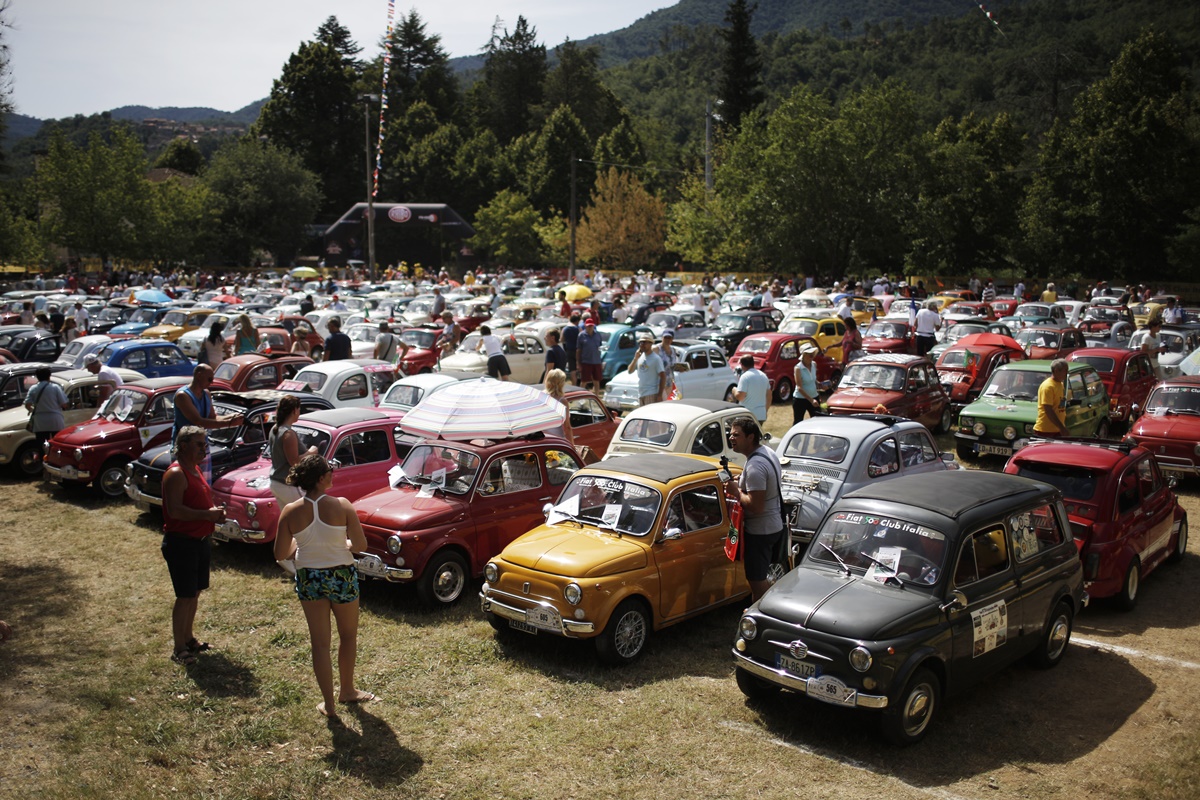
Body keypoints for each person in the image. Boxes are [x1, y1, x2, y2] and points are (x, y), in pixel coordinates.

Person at [273, 453, 373, 717]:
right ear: (320, 478)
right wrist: (344, 544)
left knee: (320, 644)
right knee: (348, 635)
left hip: (310, 578)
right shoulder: (342, 505)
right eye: (330, 470)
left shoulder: (291, 511)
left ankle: (328, 705)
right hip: (341, 575)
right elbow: (360, 545)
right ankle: (347, 690)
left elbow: (281, 552)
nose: (333, 473)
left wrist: (301, 543)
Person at [161, 426, 226, 665]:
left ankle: (188, 639)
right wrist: (207, 515)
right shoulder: (176, 473)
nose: (204, 447)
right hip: (182, 543)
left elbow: (198, 502)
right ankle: (179, 649)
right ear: (184, 445)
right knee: (184, 596)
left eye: (205, 443)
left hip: (199, 541)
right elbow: (175, 511)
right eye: (199, 444)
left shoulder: (194, 469)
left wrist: (213, 514)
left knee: (195, 593)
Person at [725, 418, 785, 601]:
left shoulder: (755, 466)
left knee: (756, 579)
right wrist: (742, 481)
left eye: (736, 434)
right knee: (758, 576)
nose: (731, 437)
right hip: (773, 525)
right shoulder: (766, 452)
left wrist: (736, 492)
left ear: (750, 437)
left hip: (761, 531)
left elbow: (756, 506)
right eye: (730, 434)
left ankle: (765, 615)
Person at [268, 394, 317, 512]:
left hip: (276, 482)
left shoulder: (275, 428)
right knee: (307, 514)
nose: (300, 412)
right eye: (299, 409)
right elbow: (294, 461)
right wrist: (311, 452)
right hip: (287, 485)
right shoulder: (288, 433)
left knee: (289, 519)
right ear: (294, 410)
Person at [24, 366, 70, 452]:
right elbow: (64, 404)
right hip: (55, 420)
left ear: (37, 377)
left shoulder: (33, 388)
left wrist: (34, 409)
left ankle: (43, 460)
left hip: (40, 421)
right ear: (49, 376)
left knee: (42, 445)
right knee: (57, 444)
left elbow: (27, 404)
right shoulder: (55, 387)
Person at [1034, 358, 1070, 437]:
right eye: (1065, 370)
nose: (1067, 373)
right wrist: (1062, 428)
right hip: (1045, 431)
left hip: (1057, 430)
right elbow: (1048, 410)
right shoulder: (1048, 386)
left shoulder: (1060, 384)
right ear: (1056, 371)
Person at [628, 332, 665, 406]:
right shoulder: (640, 357)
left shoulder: (656, 359)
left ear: (651, 343)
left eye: (644, 342)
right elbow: (630, 371)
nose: (642, 344)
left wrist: (660, 395)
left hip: (651, 393)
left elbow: (663, 377)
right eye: (640, 342)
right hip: (641, 393)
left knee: (649, 416)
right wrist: (635, 358)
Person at [733, 354, 771, 423]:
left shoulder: (745, 377)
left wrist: (734, 390)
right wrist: (765, 410)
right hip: (760, 414)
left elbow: (740, 397)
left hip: (747, 415)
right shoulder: (763, 375)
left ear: (742, 365)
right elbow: (769, 396)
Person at [543, 368, 574, 446]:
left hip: (542, 439)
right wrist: (572, 446)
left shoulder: (540, 397)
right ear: (561, 383)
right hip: (557, 440)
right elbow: (567, 427)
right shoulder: (562, 401)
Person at [792, 344, 820, 424]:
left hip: (814, 397)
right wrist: (811, 400)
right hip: (800, 399)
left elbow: (813, 380)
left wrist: (820, 385)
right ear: (804, 355)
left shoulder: (814, 364)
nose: (812, 356)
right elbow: (799, 387)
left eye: (813, 354)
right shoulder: (798, 368)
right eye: (809, 355)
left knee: (818, 421)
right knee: (798, 422)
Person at [577, 317, 604, 391]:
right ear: (585, 326)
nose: (590, 327)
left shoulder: (598, 334)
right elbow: (578, 350)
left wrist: (601, 360)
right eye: (588, 326)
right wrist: (578, 363)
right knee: (584, 381)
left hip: (596, 361)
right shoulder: (581, 335)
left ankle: (597, 396)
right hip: (586, 361)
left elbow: (600, 347)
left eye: (591, 326)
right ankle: (580, 396)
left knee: (596, 380)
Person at [658, 329, 677, 396]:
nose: (667, 340)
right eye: (665, 337)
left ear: (672, 339)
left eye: (669, 338)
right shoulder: (656, 349)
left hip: (670, 383)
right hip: (659, 384)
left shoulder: (673, 350)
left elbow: (673, 366)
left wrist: (680, 368)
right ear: (662, 338)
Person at [562, 312, 581, 377]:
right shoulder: (578, 328)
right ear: (577, 321)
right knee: (580, 366)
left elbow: (562, 339)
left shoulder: (565, 329)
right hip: (578, 350)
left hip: (569, 350)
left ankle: (574, 384)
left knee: (572, 369)